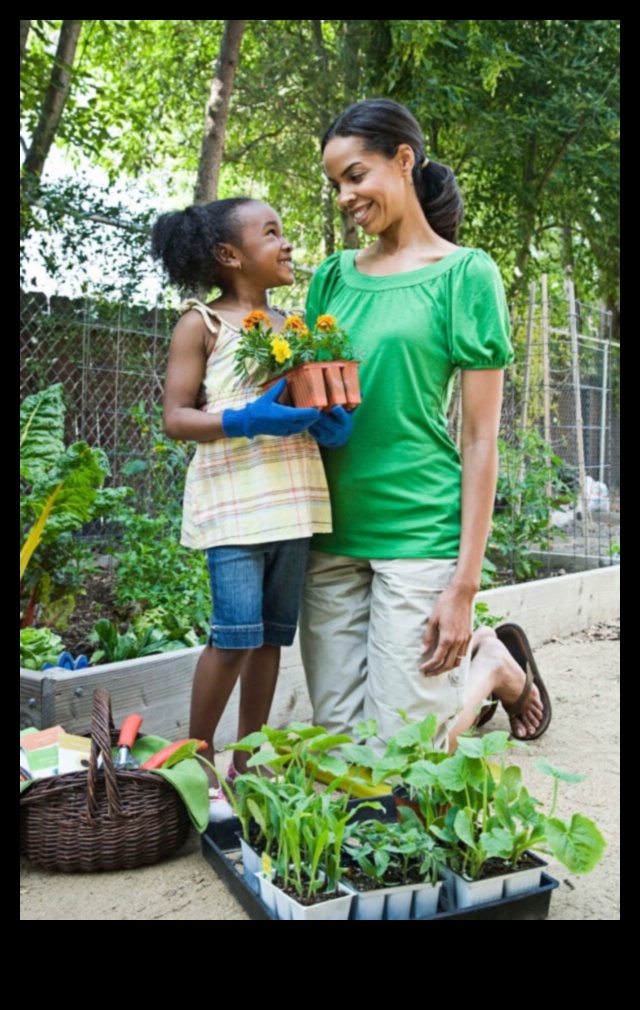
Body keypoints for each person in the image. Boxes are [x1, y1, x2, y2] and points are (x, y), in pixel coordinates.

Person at [299, 98, 550, 753]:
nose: (345, 197)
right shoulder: (331, 279)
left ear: (403, 160)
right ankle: (488, 666)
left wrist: (465, 586)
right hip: (330, 534)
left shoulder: (466, 274)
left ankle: (491, 663)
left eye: (356, 176)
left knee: (401, 754)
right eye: (335, 186)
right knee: (337, 746)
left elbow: (479, 438)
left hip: (418, 529)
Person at [152, 197, 353, 818]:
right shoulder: (201, 324)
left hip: (294, 499)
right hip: (235, 505)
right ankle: (199, 754)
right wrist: (244, 418)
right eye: (272, 233)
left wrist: (327, 421)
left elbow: (311, 398)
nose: (286, 243)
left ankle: (248, 759)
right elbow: (176, 418)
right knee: (233, 635)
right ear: (229, 255)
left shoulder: (294, 327)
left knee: (269, 639)